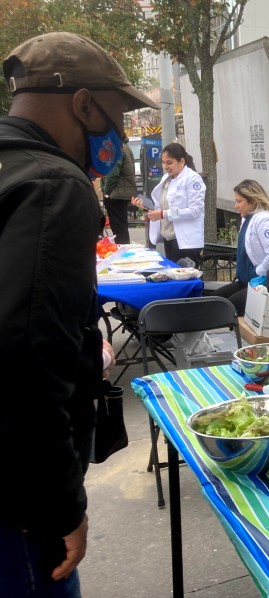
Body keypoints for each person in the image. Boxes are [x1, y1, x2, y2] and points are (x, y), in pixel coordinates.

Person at [0, 32, 158, 596]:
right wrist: (61, 507)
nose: (117, 135)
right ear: (83, 104)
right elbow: (22, 363)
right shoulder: (54, 185)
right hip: (18, 501)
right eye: (115, 116)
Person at [212, 179, 269, 315]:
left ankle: (236, 334)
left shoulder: (264, 221)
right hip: (249, 280)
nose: (236, 206)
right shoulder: (247, 218)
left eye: (239, 201)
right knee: (214, 300)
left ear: (253, 202)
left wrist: (257, 272)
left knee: (228, 308)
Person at [131, 142, 205, 265]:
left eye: (169, 162)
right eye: (163, 162)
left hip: (185, 241)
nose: (165, 166)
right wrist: (145, 207)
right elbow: (163, 206)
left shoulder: (193, 179)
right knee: (173, 276)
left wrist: (162, 214)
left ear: (181, 161)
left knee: (186, 280)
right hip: (169, 238)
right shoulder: (166, 179)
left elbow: (194, 211)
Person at [100, 139, 137, 243]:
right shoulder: (125, 146)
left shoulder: (116, 147)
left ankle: (123, 252)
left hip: (115, 193)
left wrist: (106, 192)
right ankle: (124, 249)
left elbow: (113, 172)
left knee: (118, 229)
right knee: (122, 228)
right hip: (122, 192)